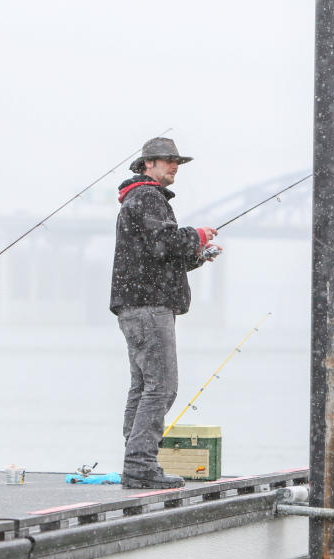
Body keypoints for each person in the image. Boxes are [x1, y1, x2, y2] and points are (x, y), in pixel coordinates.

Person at [110, 137, 222, 489]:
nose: (174, 166)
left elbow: (157, 253)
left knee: (143, 386)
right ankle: (141, 465)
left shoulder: (137, 198)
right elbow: (167, 242)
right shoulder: (148, 196)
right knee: (162, 388)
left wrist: (198, 255)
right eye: (166, 160)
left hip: (137, 306)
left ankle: (135, 461)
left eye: (176, 161)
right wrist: (198, 235)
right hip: (149, 309)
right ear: (148, 164)